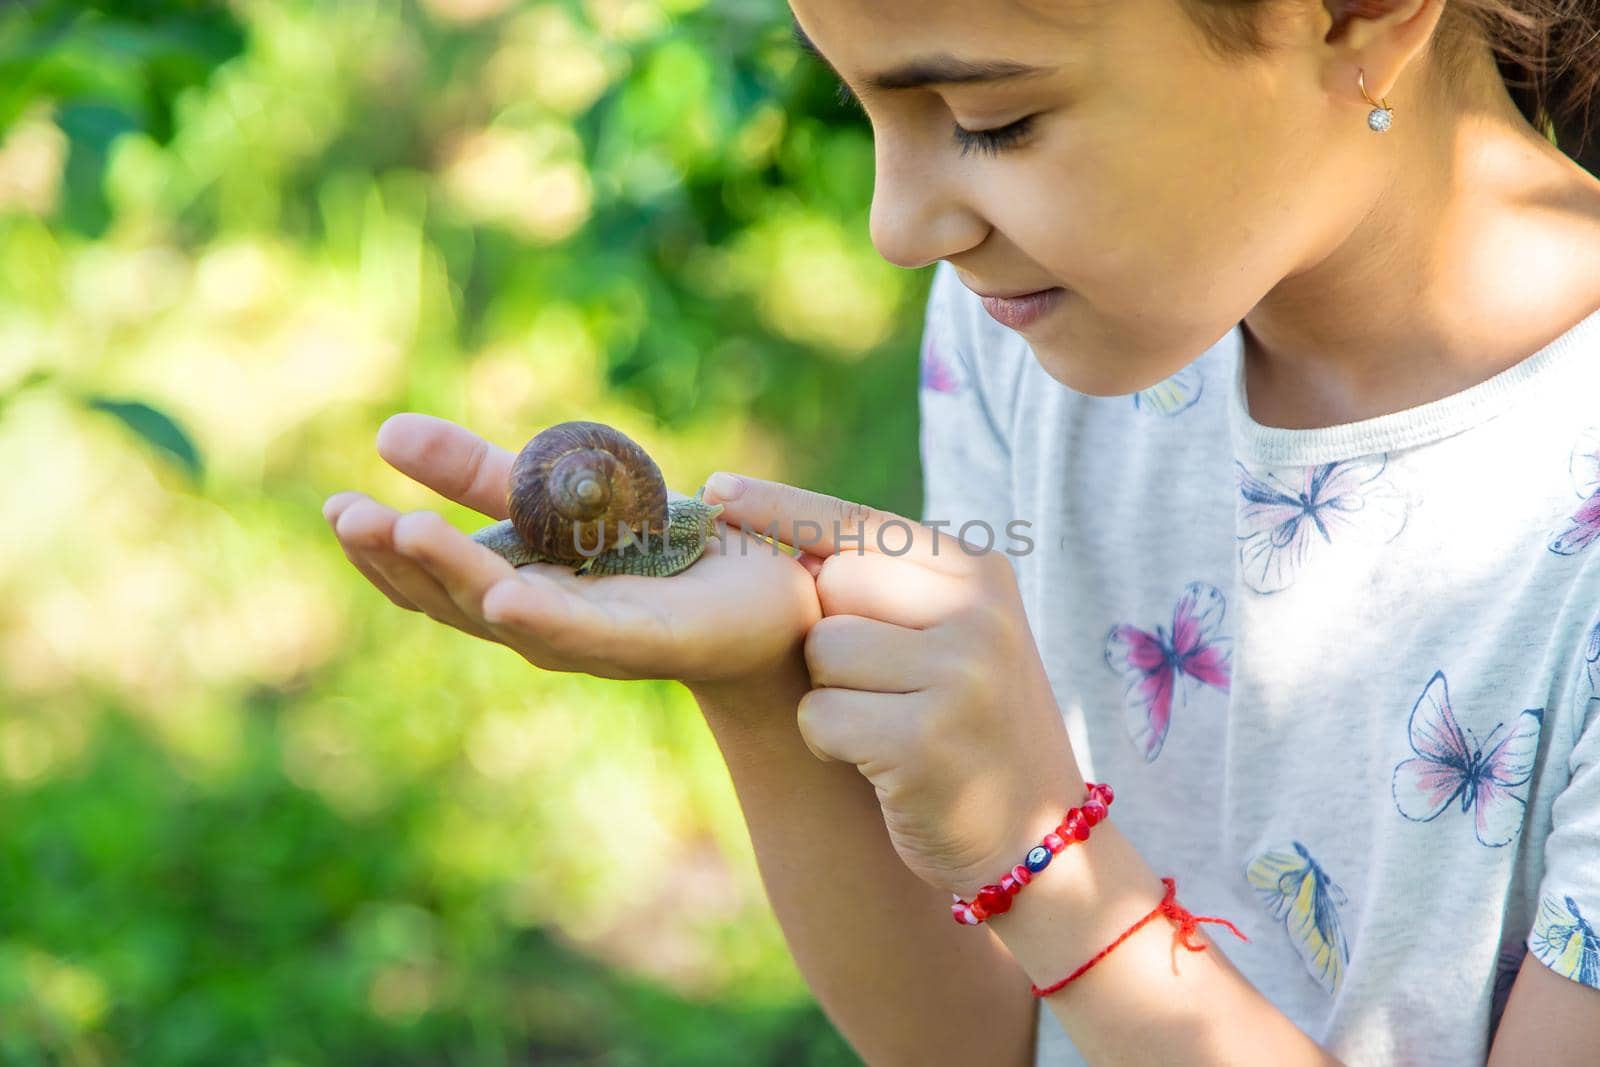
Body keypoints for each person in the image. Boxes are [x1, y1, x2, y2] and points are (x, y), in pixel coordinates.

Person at [323, 0, 1600, 1063]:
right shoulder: (1036, 341)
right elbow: (978, 1042)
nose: (897, 226)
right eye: (864, 109)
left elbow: (1040, 896)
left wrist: (1048, 864)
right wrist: (769, 689)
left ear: (1351, 14)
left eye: (994, 121)